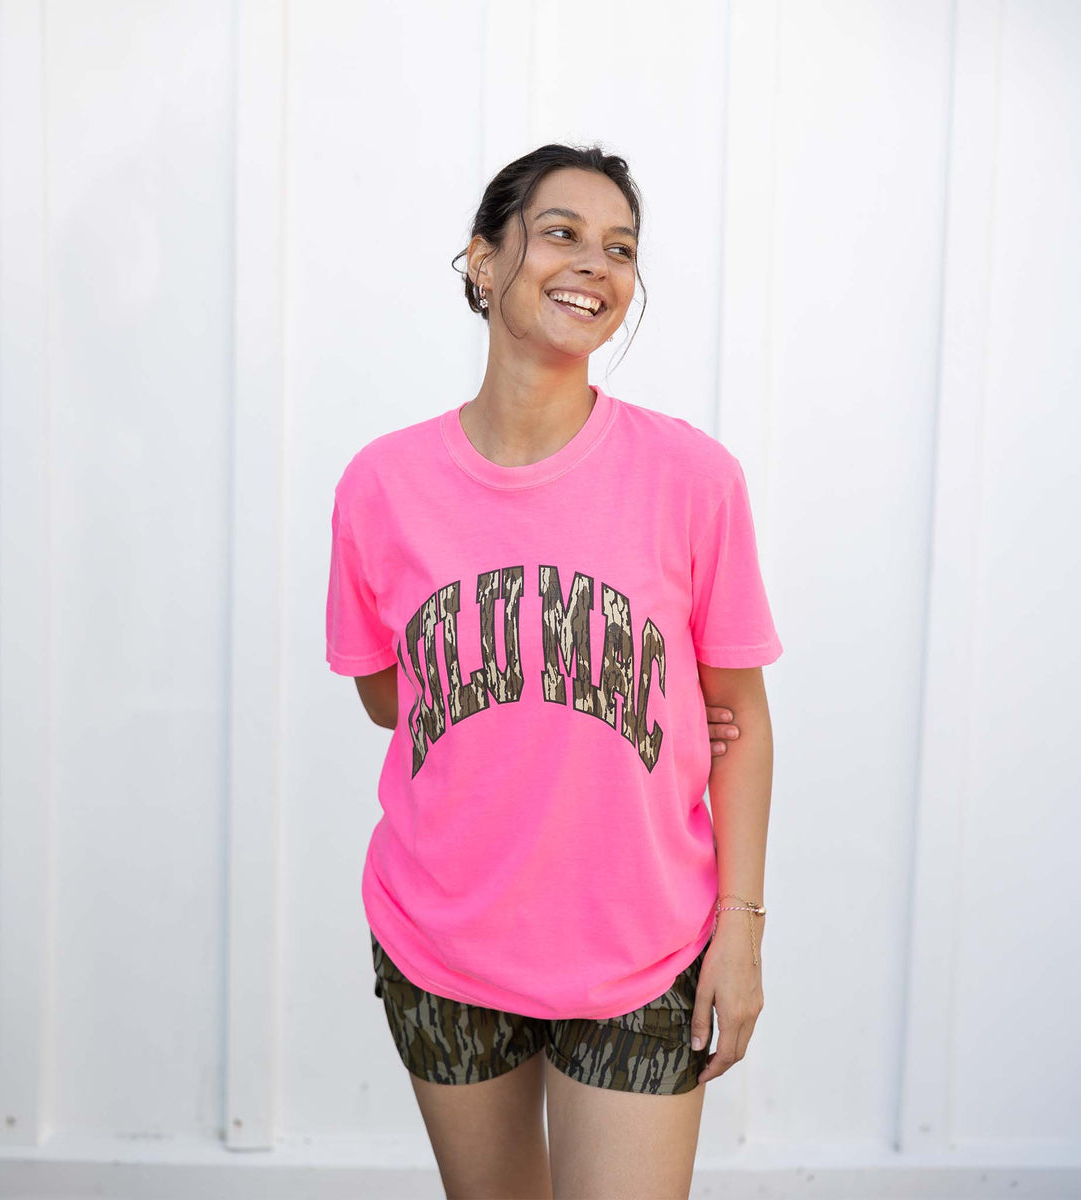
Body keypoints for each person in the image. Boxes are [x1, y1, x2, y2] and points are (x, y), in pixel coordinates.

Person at [326, 143, 782, 1200]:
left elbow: (743, 722)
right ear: (483, 261)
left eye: (620, 247)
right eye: (562, 232)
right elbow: (388, 695)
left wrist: (741, 930)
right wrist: (533, 690)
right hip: (441, 940)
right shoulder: (382, 485)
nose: (596, 263)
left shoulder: (692, 480)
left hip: (644, 951)